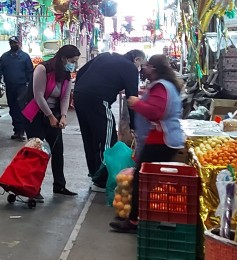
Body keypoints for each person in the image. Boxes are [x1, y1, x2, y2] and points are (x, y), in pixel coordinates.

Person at [110, 54, 186, 233]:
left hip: (161, 140)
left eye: (147, 66)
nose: (144, 69)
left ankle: (135, 220)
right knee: (148, 180)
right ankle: (145, 216)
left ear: (154, 68)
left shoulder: (161, 86)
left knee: (142, 179)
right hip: (164, 139)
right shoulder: (167, 85)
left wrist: (137, 104)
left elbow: (156, 112)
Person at [74, 49, 145, 191]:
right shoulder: (130, 68)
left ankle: (95, 174)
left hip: (79, 95)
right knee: (108, 139)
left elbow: (81, 71)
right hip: (98, 99)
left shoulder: (105, 56)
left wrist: (81, 88)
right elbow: (132, 98)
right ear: (136, 59)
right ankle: (103, 180)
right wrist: (134, 125)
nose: (140, 68)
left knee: (90, 137)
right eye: (141, 64)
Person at [21, 45, 81, 202]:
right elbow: (38, 95)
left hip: (53, 113)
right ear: (63, 58)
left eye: (75, 62)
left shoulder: (67, 75)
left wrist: (63, 116)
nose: (74, 64)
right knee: (36, 152)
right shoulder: (42, 69)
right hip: (36, 114)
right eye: (72, 61)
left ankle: (59, 185)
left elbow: (65, 97)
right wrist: (50, 116)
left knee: (57, 151)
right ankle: (32, 189)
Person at [0, 36, 34, 140]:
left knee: (22, 108)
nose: (13, 45)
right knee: (13, 108)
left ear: (19, 43)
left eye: (15, 43)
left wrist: (31, 86)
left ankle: (22, 131)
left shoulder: (25, 57)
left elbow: (30, 72)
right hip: (10, 86)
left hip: (22, 87)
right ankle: (17, 130)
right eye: (11, 43)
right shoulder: (5, 57)